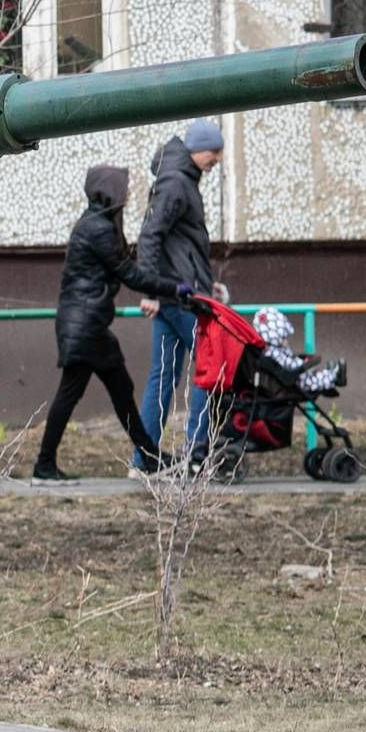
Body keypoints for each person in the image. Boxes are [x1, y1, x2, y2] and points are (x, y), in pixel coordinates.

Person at [34, 165, 192, 482]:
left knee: (118, 391)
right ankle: (46, 465)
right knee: (81, 393)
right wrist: (173, 288)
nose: (129, 194)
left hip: (85, 322)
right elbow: (129, 273)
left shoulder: (97, 223)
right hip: (86, 325)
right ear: (111, 192)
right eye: (125, 188)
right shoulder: (99, 230)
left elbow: (124, 267)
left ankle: (146, 456)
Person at [134, 119, 230, 471]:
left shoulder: (181, 179)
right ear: (198, 148)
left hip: (179, 294)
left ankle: (143, 459)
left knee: (163, 376)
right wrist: (150, 291)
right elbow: (150, 237)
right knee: (209, 367)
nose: (217, 159)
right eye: (214, 152)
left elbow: (182, 245)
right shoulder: (176, 183)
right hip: (177, 298)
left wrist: (208, 285)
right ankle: (195, 454)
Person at [251, 308, 345, 393]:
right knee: (313, 380)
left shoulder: (267, 350)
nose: (286, 340)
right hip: (295, 382)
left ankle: (329, 373)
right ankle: (334, 376)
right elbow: (291, 365)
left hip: (286, 379)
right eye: (284, 337)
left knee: (313, 375)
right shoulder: (275, 353)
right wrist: (304, 363)